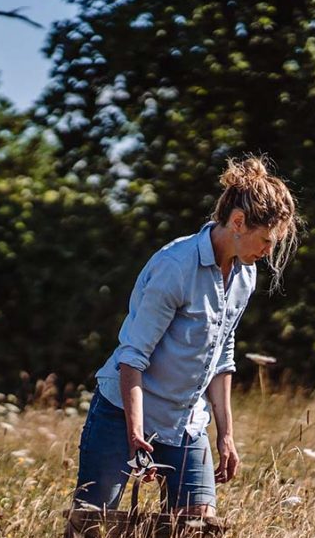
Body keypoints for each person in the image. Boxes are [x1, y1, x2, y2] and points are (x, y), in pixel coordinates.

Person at [72, 156, 300, 518]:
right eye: (267, 240)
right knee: (89, 532)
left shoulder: (245, 274)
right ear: (238, 222)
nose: (269, 252)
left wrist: (225, 435)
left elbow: (222, 355)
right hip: (122, 416)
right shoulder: (176, 266)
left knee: (198, 533)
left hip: (186, 422)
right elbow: (132, 357)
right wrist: (135, 436)